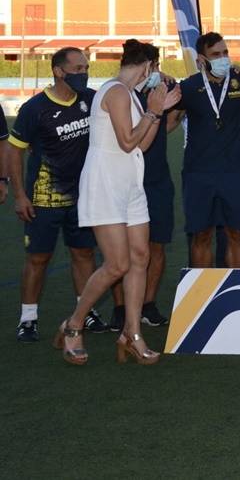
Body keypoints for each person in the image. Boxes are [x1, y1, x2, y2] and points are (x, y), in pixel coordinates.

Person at [57, 40, 181, 365]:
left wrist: (158, 112)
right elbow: (127, 142)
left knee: (140, 257)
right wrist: (154, 110)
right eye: (155, 69)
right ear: (147, 66)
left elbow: (144, 143)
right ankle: (73, 325)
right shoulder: (114, 91)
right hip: (104, 184)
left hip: (130, 184)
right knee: (117, 265)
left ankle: (132, 334)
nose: (156, 76)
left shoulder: (133, 97)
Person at [10, 47, 112, 342]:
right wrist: (20, 195)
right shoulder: (34, 109)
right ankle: (28, 319)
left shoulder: (91, 99)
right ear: (59, 71)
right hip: (44, 198)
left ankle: (86, 311)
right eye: (78, 69)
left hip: (84, 196)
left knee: (83, 253)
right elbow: (15, 151)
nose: (84, 74)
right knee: (38, 257)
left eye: (86, 68)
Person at [176, 32, 240, 268]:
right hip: (198, 173)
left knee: (236, 234)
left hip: (235, 172)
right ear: (202, 59)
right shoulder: (190, 87)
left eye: (225, 53)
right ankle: (201, 294)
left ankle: (236, 289)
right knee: (202, 235)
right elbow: (171, 117)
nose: (223, 58)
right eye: (216, 54)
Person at [121, 66, 183, 328]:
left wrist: (167, 78)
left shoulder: (164, 90)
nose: (157, 71)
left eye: (158, 66)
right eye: (153, 67)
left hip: (157, 182)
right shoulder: (119, 95)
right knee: (121, 250)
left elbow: (175, 117)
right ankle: (119, 307)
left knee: (157, 245)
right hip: (125, 181)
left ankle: (148, 304)